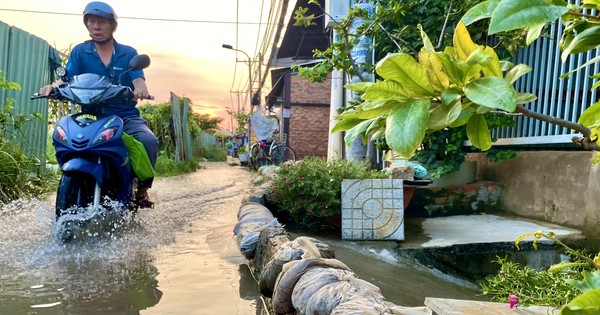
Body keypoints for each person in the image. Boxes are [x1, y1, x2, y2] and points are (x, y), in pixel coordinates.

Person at [39, 1, 158, 208]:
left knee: (148, 141)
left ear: (112, 25)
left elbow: (139, 80)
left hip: (124, 116)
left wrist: (141, 89)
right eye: (91, 21)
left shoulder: (128, 53)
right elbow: (66, 78)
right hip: (92, 116)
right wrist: (53, 86)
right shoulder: (80, 52)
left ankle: (142, 190)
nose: (96, 26)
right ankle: (75, 177)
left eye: (101, 22)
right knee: (63, 136)